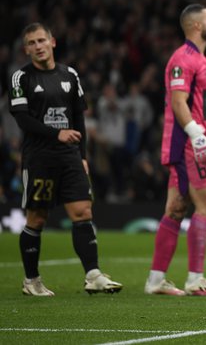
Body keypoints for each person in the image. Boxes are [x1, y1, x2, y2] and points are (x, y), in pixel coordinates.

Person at [8, 23, 123, 296]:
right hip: (39, 158)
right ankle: (31, 280)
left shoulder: (69, 74)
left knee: (83, 212)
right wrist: (56, 134)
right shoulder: (20, 78)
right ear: (26, 49)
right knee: (37, 218)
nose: (37, 46)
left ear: (52, 42)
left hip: (70, 157)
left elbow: (79, 117)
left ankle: (93, 274)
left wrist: (82, 156)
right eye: (32, 43)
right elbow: (22, 119)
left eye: (41, 40)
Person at [144, 4, 206, 296]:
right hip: (186, 143)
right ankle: (195, 279)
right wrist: (196, 134)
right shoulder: (183, 58)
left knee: (177, 208)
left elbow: (204, 107)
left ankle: (156, 280)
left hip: (197, 140)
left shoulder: (204, 60)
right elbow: (179, 103)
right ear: (196, 26)